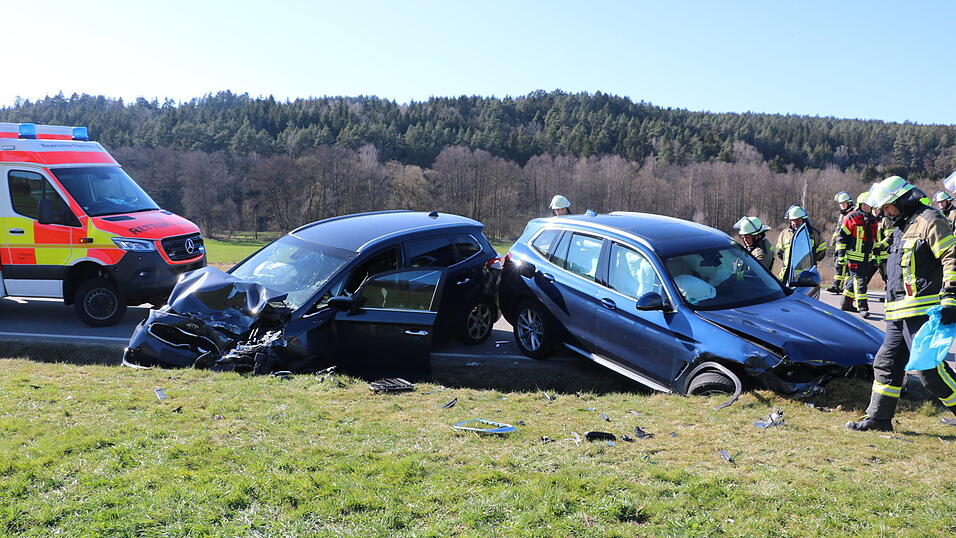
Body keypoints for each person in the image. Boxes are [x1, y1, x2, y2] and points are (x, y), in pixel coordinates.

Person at [847, 176, 956, 432]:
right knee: (886, 365)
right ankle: (879, 419)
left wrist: (950, 296)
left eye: (888, 206)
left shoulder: (930, 220)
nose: (886, 212)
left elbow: (951, 256)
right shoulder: (900, 227)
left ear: (902, 201)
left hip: (924, 313)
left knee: (930, 371)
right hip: (898, 313)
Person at [838, 192, 878, 318]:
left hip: (867, 257)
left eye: (869, 205)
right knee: (860, 281)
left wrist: (876, 255)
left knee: (853, 280)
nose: (867, 207)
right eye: (865, 205)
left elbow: (874, 239)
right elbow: (841, 238)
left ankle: (846, 303)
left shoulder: (873, 220)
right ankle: (863, 307)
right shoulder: (851, 217)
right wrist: (841, 255)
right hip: (853, 256)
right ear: (860, 204)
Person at [774, 205, 826, 280]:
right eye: (793, 220)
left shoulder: (814, 234)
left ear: (803, 219)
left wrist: (812, 261)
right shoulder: (784, 234)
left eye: (798, 220)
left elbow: (822, 251)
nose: (795, 223)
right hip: (787, 275)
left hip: (807, 276)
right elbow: (779, 252)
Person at [827, 192, 855, 294]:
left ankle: (845, 286)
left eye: (843, 203)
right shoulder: (843, 214)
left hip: (847, 243)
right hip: (840, 242)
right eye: (840, 204)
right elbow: (839, 228)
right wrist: (834, 238)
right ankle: (837, 285)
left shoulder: (852, 213)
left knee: (846, 265)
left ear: (849, 203)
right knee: (839, 264)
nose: (841, 206)